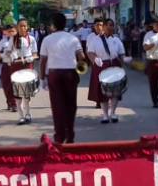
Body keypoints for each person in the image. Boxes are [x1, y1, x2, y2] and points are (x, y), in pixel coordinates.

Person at [40, 12, 86, 144]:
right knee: (71, 105)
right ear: (65, 24)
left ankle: (59, 136)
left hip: (54, 74)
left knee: (57, 106)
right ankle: (70, 135)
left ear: (53, 26)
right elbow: (81, 57)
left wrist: (42, 79)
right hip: (70, 73)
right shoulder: (72, 38)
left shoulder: (47, 39)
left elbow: (43, 61)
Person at [87, 17, 126, 124]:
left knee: (114, 91)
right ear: (103, 27)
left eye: (111, 25)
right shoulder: (95, 39)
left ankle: (113, 112)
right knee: (102, 92)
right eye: (107, 25)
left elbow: (121, 53)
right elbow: (90, 52)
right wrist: (95, 59)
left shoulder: (116, 40)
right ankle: (105, 115)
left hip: (114, 65)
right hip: (101, 66)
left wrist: (125, 58)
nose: (109, 27)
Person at [9, 18, 39, 125]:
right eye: (20, 26)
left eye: (24, 26)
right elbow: (8, 52)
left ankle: (28, 114)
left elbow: (35, 53)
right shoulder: (13, 40)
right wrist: (12, 56)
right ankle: (20, 116)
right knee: (17, 91)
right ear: (17, 27)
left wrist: (32, 58)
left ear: (27, 27)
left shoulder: (31, 39)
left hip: (28, 65)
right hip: (16, 66)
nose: (22, 28)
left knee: (27, 91)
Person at [0, 24, 18, 112]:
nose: (11, 33)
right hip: (5, 65)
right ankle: (9, 101)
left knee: (14, 85)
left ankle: (14, 103)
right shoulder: (3, 42)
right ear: (6, 32)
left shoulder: (20, 41)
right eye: (9, 32)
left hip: (16, 65)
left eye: (13, 31)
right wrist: (1, 56)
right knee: (6, 85)